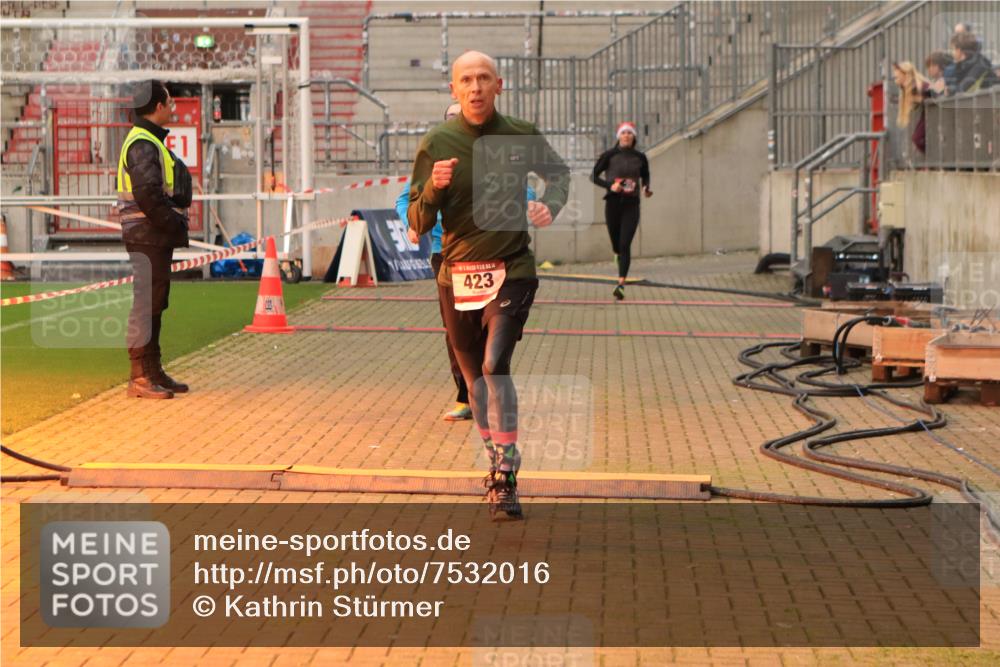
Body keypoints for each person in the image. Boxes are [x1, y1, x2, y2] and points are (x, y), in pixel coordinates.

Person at [407, 50, 570, 519]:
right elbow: (417, 217)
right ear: (454, 90)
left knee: (496, 361)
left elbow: (558, 176)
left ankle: (505, 472)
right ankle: (496, 456)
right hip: (455, 275)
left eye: (483, 78)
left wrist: (549, 204)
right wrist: (434, 188)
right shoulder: (437, 141)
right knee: (475, 380)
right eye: (466, 80)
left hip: (512, 269)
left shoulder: (520, 134)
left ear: (499, 86)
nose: (475, 87)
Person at [395, 103, 538, 423]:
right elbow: (407, 198)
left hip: (492, 258)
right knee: (456, 332)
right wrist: (411, 222)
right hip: (446, 257)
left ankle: (492, 382)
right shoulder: (435, 159)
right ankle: (467, 395)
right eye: (451, 118)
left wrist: (531, 206)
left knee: (493, 329)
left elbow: (523, 189)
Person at [117, 80, 192, 399]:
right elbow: (148, 195)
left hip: (151, 235)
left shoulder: (147, 140)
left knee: (154, 303)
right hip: (147, 234)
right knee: (146, 304)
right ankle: (140, 376)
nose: (174, 108)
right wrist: (174, 223)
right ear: (158, 107)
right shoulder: (143, 143)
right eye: (170, 103)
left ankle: (153, 371)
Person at [590, 122, 652, 301]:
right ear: (618, 136)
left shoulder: (640, 157)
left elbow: (646, 175)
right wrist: (611, 185)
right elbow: (593, 176)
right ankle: (617, 253)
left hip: (632, 204)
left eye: (629, 133)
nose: (626, 136)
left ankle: (620, 284)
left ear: (634, 137)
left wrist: (646, 187)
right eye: (623, 133)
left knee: (625, 244)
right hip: (613, 203)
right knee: (616, 244)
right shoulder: (610, 155)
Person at [892, 61, 930, 154]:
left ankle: (932, 158)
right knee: (917, 138)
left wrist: (921, 99)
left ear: (906, 74)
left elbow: (931, 94)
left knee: (917, 138)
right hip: (928, 114)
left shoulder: (918, 86)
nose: (894, 76)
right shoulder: (909, 88)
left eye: (897, 72)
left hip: (933, 114)